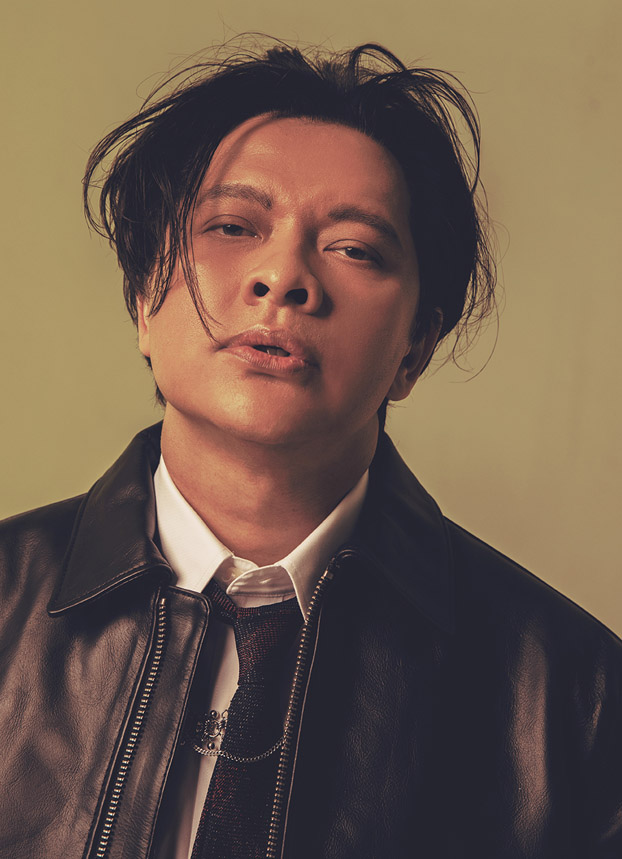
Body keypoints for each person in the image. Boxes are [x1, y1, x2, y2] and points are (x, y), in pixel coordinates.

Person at [1, 38, 620, 859]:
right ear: (144, 299)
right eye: (232, 226)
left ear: (415, 349)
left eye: (355, 248)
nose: (283, 276)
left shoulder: (575, 699)